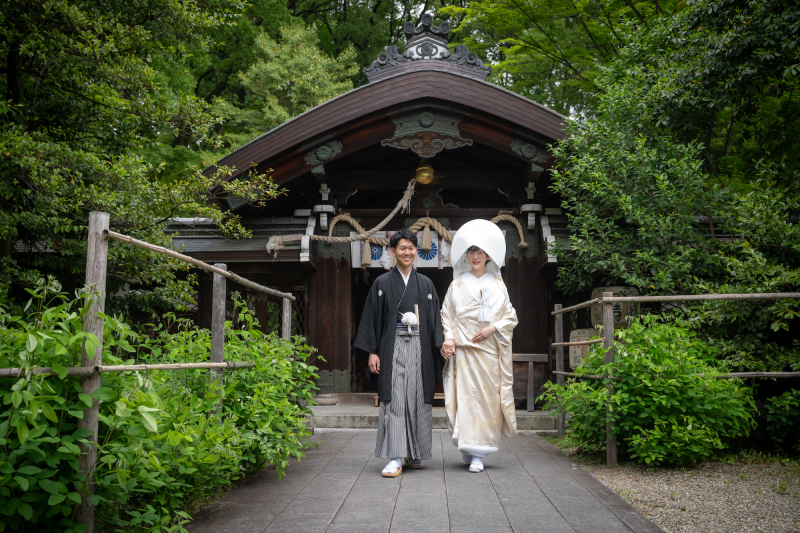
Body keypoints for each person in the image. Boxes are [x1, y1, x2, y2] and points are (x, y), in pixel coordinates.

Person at [354, 228, 444, 477]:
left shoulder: (425, 284)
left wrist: (442, 344)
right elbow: (371, 318)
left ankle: (414, 453)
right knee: (394, 398)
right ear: (393, 252)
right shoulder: (382, 283)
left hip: (420, 346)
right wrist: (372, 352)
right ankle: (395, 456)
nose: (407, 252)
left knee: (417, 398)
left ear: (417, 251)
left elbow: (435, 320)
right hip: (391, 345)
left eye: (411, 248)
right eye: (402, 248)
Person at [440, 219, 518, 473]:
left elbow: (510, 316)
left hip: (488, 352)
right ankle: (468, 447)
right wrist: (449, 337)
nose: (475, 256)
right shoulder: (457, 284)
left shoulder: (497, 283)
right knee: (464, 398)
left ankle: (479, 453)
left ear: (488, 256)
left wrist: (492, 328)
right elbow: (446, 315)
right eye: (472, 252)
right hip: (463, 352)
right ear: (467, 255)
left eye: (480, 252)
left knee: (485, 400)